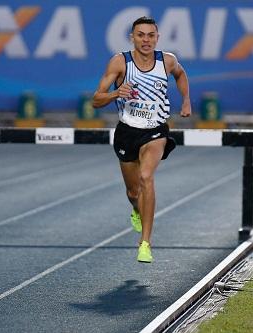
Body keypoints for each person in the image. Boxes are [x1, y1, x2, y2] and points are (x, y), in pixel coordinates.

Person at [92, 16, 191, 263]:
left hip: (156, 130)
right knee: (133, 191)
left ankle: (145, 243)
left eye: (150, 35)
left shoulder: (167, 61)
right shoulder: (120, 62)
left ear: (157, 37)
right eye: (140, 35)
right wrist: (116, 92)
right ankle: (136, 209)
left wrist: (186, 99)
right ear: (132, 38)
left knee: (147, 177)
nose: (146, 40)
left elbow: (180, 75)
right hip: (128, 131)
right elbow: (96, 100)